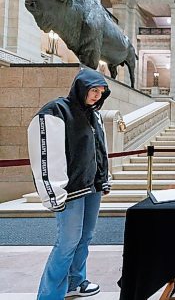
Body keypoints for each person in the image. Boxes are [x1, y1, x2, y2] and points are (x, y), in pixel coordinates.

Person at [27, 68, 112, 300]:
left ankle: (76, 282)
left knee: (85, 237)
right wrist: (52, 191)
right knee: (67, 243)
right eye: (93, 90)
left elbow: (100, 149)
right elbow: (45, 153)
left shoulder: (94, 115)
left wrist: (104, 178)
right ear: (81, 87)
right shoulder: (56, 111)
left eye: (101, 92)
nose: (97, 96)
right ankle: (49, 295)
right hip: (71, 190)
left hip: (92, 187)